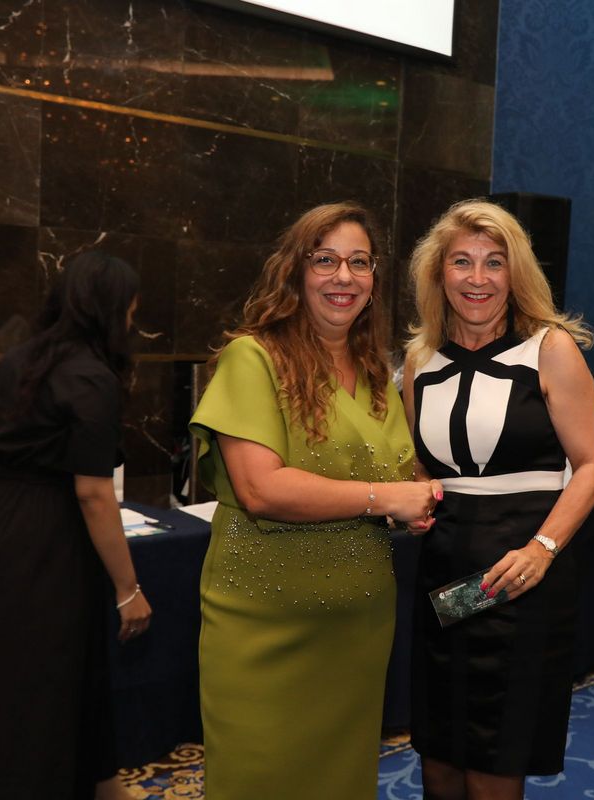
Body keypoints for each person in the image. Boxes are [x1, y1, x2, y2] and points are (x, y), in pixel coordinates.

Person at [189, 202, 442, 799]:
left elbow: (397, 469)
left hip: (358, 630)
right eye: (325, 260)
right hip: (265, 629)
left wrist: (424, 496)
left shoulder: (376, 372)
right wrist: (386, 497)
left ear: (374, 278)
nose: (343, 276)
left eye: (359, 262)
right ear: (295, 270)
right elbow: (260, 488)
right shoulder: (253, 358)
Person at [0, 251, 152, 800]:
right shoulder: (92, 377)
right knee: (42, 680)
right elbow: (93, 493)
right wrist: (128, 589)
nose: (133, 322)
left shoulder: (17, 359)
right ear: (110, 310)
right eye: (131, 311)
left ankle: (99, 782)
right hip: (51, 538)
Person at [403, 199, 594, 799]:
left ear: (515, 272)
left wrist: (542, 549)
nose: (478, 278)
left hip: (519, 580)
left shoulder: (550, 348)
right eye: (462, 262)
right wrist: (417, 499)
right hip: (444, 580)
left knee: (495, 764)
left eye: (494, 262)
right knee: (440, 761)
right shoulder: (418, 361)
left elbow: (592, 464)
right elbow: (423, 466)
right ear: (438, 273)